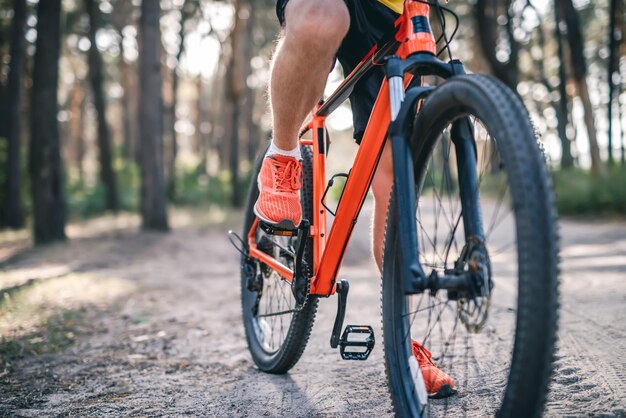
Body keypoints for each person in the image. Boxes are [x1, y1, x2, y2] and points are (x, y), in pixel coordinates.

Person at [254, 0, 456, 398]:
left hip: (396, 10)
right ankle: (282, 154)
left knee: (396, 175)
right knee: (321, 19)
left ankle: (405, 345)